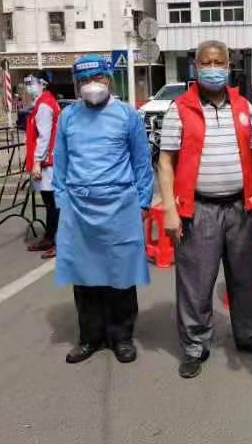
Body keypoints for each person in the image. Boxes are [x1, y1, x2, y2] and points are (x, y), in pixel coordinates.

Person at [159, 40, 252, 379]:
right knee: (196, 281)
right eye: (206, 62)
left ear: (229, 66)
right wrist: (169, 209)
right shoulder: (180, 109)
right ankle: (195, 346)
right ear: (196, 67)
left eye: (219, 62)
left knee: (245, 278)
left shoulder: (243, 107)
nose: (213, 68)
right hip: (199, 210)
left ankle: (250, 335)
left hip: (241, 209)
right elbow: (166, 162)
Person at [53, 54, 154, 365]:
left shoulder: (128, 116)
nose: (91, 85)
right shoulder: (68, 117)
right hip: (79, 206)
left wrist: (143, 201)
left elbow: (141, 162)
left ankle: (122, 337)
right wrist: (62, 201)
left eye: (97, 78)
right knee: (84, 275)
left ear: (109, 79)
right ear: (76, 85)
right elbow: (60, 161)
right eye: (84, 80)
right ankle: (90, 337)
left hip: (120, 205)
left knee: (120, 274)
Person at [24, 71, 60, 259]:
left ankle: (56, 241)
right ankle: (50, 237)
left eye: (32, 82)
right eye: (27, 82)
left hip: (48, 162)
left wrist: (37, 162)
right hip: (49, 160)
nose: (29, 86)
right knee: (50, 203)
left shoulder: (45, 105)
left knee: (53, 203)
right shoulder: (44, 102)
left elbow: (44, 137)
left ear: (43, 84)